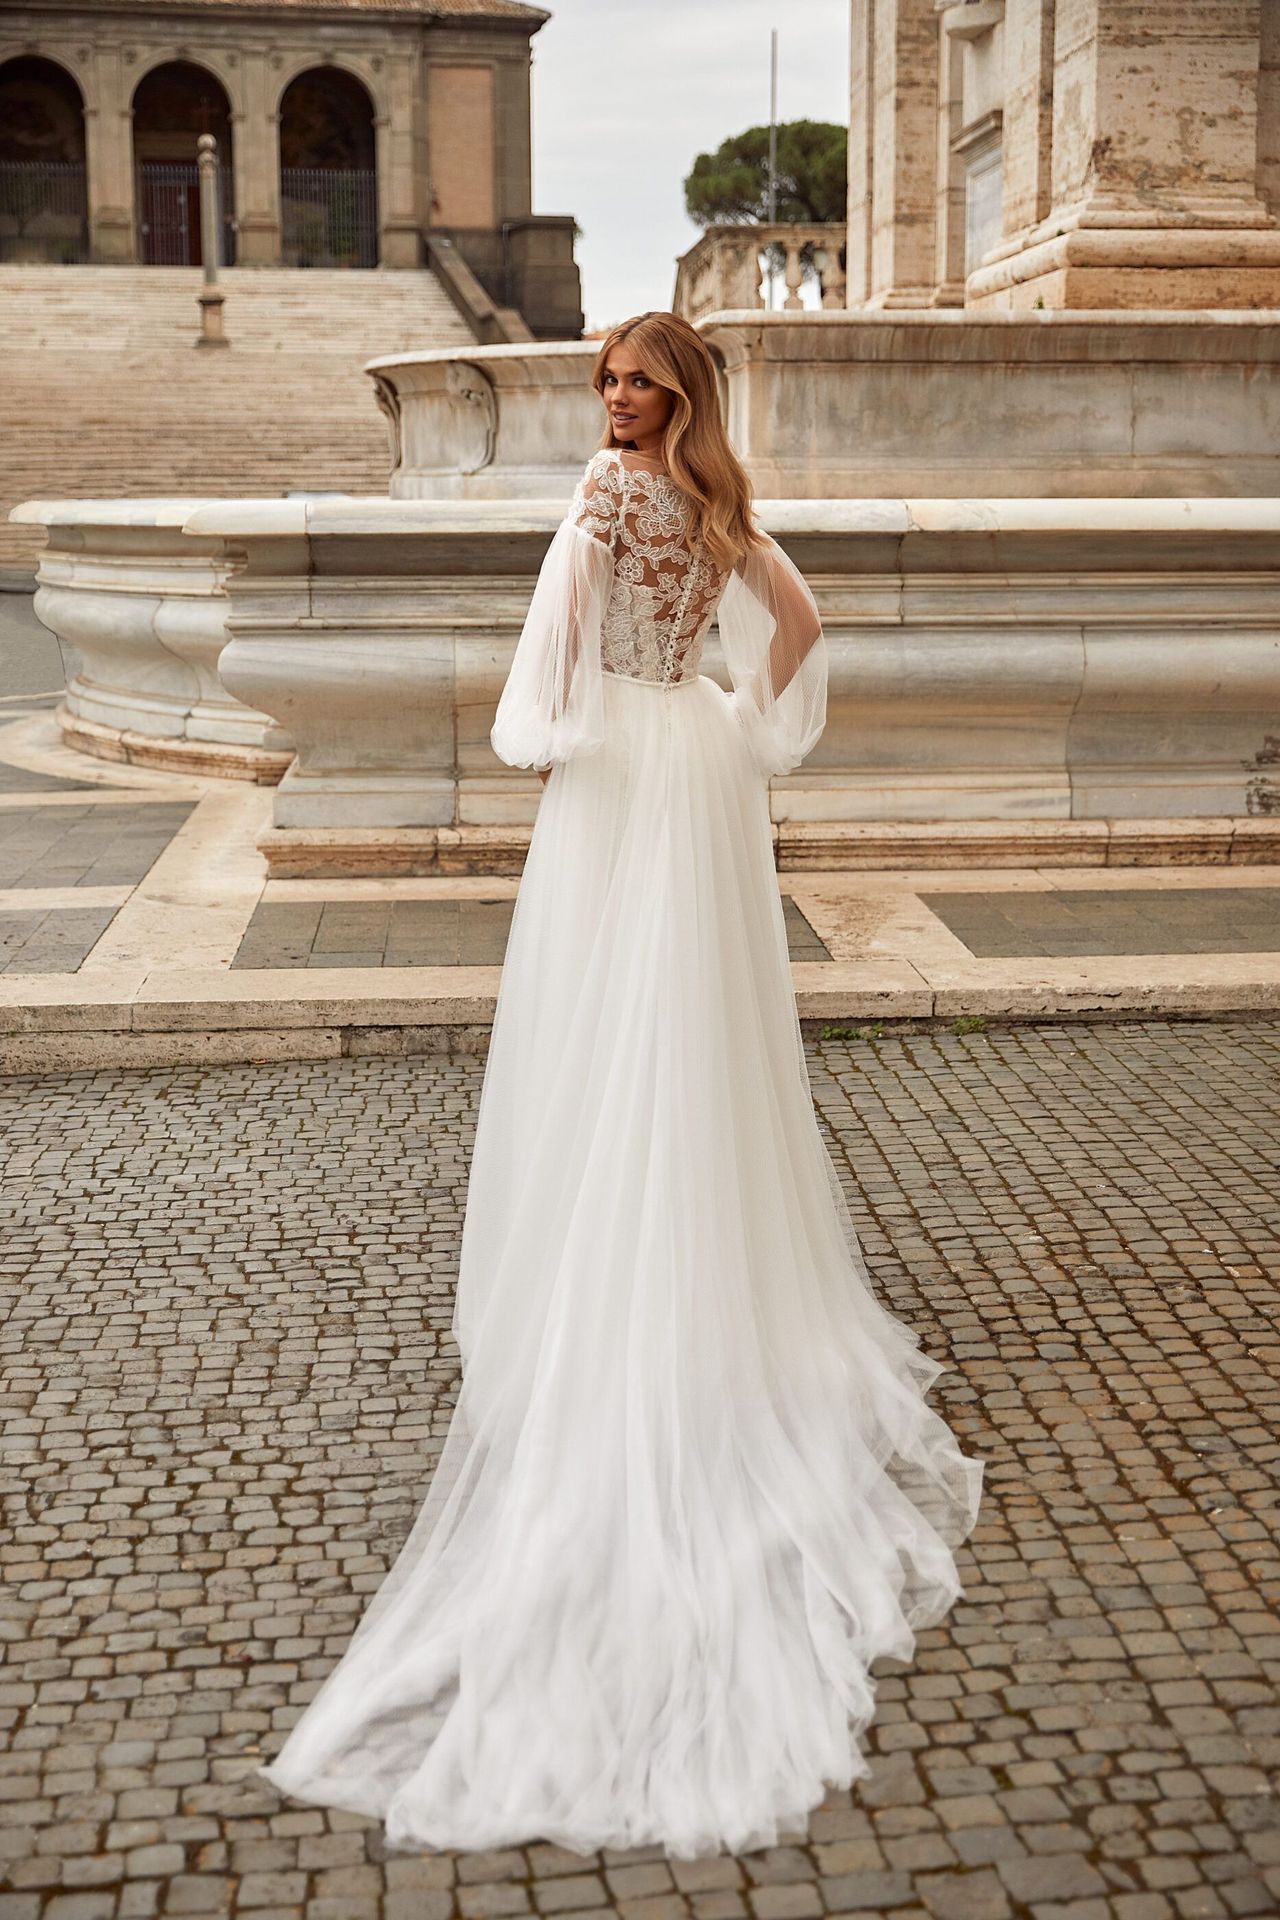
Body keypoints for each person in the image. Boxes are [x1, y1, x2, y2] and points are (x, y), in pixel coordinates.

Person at [258, 310, 984, 1859]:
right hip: (700, 776)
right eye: (607, 381)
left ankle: (606, 1268)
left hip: (617, 785)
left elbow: (547, 674)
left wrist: (567, 730)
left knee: (604, 1011)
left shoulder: (601, 496)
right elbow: (799, 624)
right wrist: (733, 722)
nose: (614, 400)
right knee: (698, 1015)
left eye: (636, 383)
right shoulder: (719, 504)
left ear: (676, 397)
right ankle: (703, 1269)